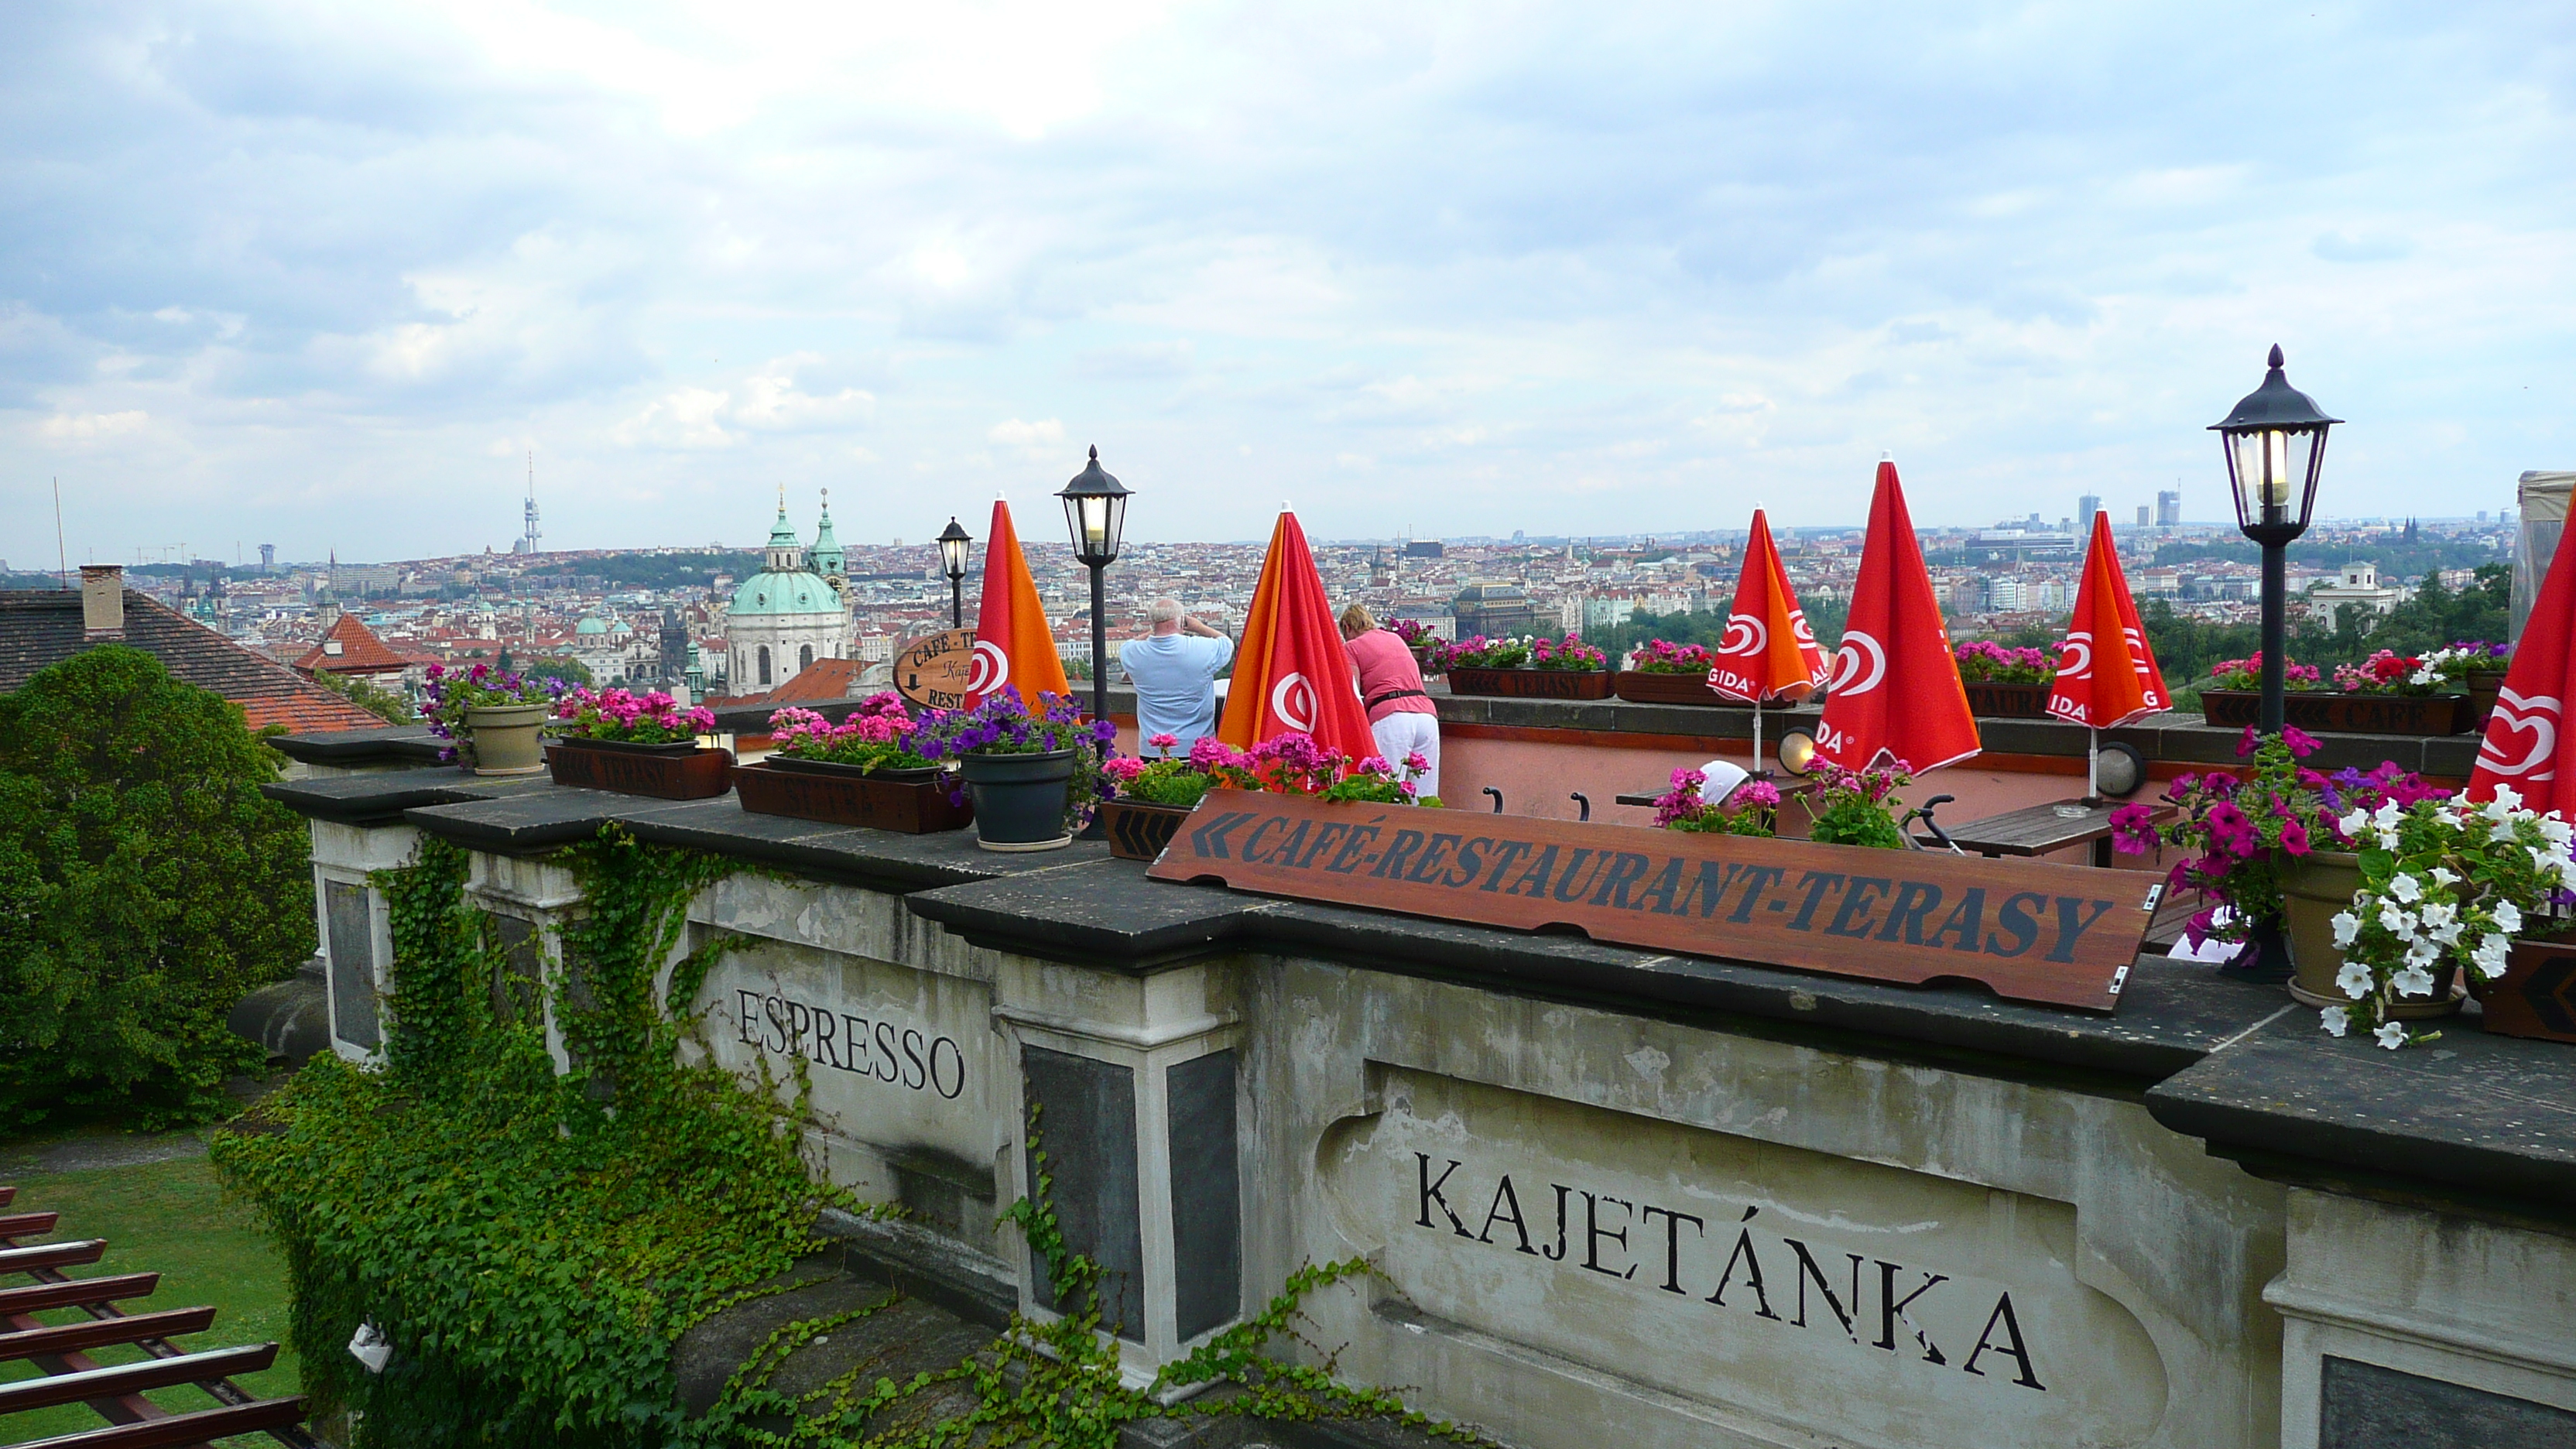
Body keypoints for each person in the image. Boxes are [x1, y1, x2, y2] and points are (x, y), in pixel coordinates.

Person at [1338, 603, 1440, 800]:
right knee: (1424, 795)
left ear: (1348, 628)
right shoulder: (1395, 638)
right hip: (1426, 716)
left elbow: (1351, 690)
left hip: (1391, 716)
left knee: (1384, 789)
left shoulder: (1351, 647)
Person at [1118, 597, 1233, 756]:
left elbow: (1127, 645)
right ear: (1180, 621)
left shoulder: (1133, 653)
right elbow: (1227, 643)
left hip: (1153, 747)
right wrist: (1198, 627)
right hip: (1197, 746)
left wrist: (1157, 628)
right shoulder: (1200, 648)